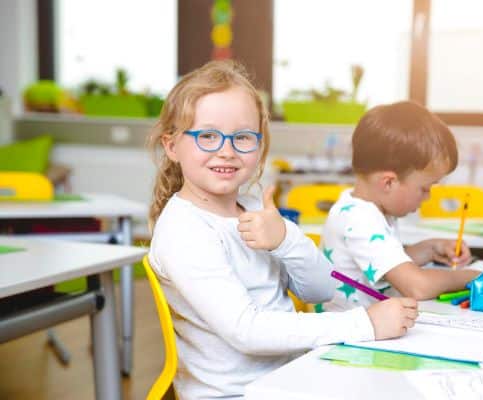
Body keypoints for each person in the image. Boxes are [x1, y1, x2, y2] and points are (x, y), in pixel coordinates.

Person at [147, 61, 418, 400]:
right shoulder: (184, 230)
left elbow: (321, 290)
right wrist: (365, 324)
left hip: (291, 378)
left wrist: (286, 239)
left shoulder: (254, 210)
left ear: (259, 146)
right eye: (208, 136)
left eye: (242, 137)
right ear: (172, 146)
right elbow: (247, 331)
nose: (227, 150)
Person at [320, 101, 481, 312]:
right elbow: (417, 286)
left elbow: (382, 266)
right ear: (389, 183)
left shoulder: (364, 208)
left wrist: (430, 249)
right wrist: (475, 276)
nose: (427, 197)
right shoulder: (359, 219)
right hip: (349, 339)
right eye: (424, 188)